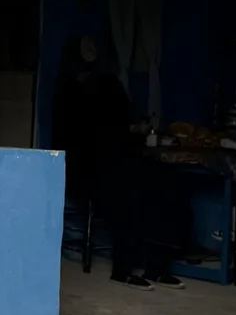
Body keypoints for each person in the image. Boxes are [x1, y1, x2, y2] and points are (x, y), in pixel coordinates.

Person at [51, 35, 181, 290]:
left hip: (118, 158)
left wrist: (134, 129)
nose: (91, 50)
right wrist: (119, 132)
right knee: (128, 194)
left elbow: (123, 120)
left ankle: (158, 266)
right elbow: (79, 133)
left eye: (93, 45)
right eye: (85, 45)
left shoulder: (108, 82)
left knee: (166, 185)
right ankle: (122, 270)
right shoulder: (67, 87)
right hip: (85, 168)